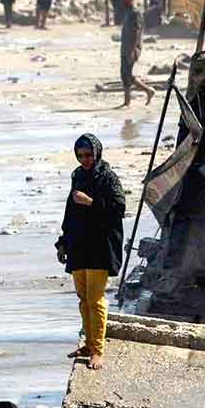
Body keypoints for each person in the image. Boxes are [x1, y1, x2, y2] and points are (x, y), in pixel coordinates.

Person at [55, 133, 126, 371]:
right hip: (79, 245)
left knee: (96, 300)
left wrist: (91, 202)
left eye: (88, 155)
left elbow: (119, 208)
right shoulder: (78, 176)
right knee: (83, 299)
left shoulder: (108, 177)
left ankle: (98, 351)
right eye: (80, 155)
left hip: (100, 245)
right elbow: (70, 213)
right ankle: (88, 343)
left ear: (97, 153)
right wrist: (63, 241)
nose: (84, 159)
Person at [117, 0, 155, 107]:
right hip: (126, 47)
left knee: (126, 73)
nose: (121, 3)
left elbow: (136, 33)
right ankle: (146, 92)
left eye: (123, 0)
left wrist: (132, 51)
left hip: (132, 48)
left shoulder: (135, 13)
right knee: (125, 74)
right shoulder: (128, 12)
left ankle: (145, 92)